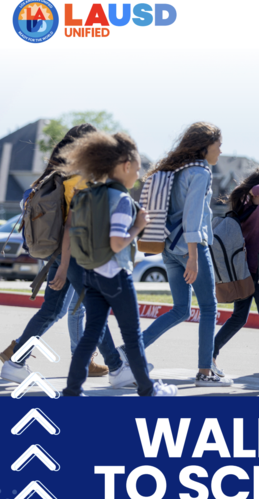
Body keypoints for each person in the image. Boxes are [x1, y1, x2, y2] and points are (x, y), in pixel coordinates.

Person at [0, 125, 128, 385]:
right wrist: (64, 265)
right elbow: (72, 225)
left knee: (51, 310)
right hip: (74, 256)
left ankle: (15, 363)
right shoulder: (81, 178)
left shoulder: (59, 174)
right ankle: (117, 368)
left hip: (62, 254)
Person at [61, 131, 177, 398]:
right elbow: (116, 243)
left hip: (90, 274)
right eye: (137, 169)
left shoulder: (89, 193)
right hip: (115, 275)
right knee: (133, 336)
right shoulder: (122, 199)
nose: (137, 175)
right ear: (125, 166)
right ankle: (148, 390)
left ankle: (72, 390)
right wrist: (138, 226)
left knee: (91, 334)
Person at [139, 122, 231, 387]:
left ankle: (130, 352)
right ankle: (205, 372)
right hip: (191, 248)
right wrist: (193, 255)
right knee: (209, 307)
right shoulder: (200, 172)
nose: (221, 151)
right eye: (218, 145)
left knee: (181, 309)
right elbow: (193, 215)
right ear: (205, 147)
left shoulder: (172, 170)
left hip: (167, 246)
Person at [212, 168, 259, 374]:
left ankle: (210, 354)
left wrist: (253, 190)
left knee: (239, 317)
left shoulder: (242, 207)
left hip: (242, 272)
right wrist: (258, 188)